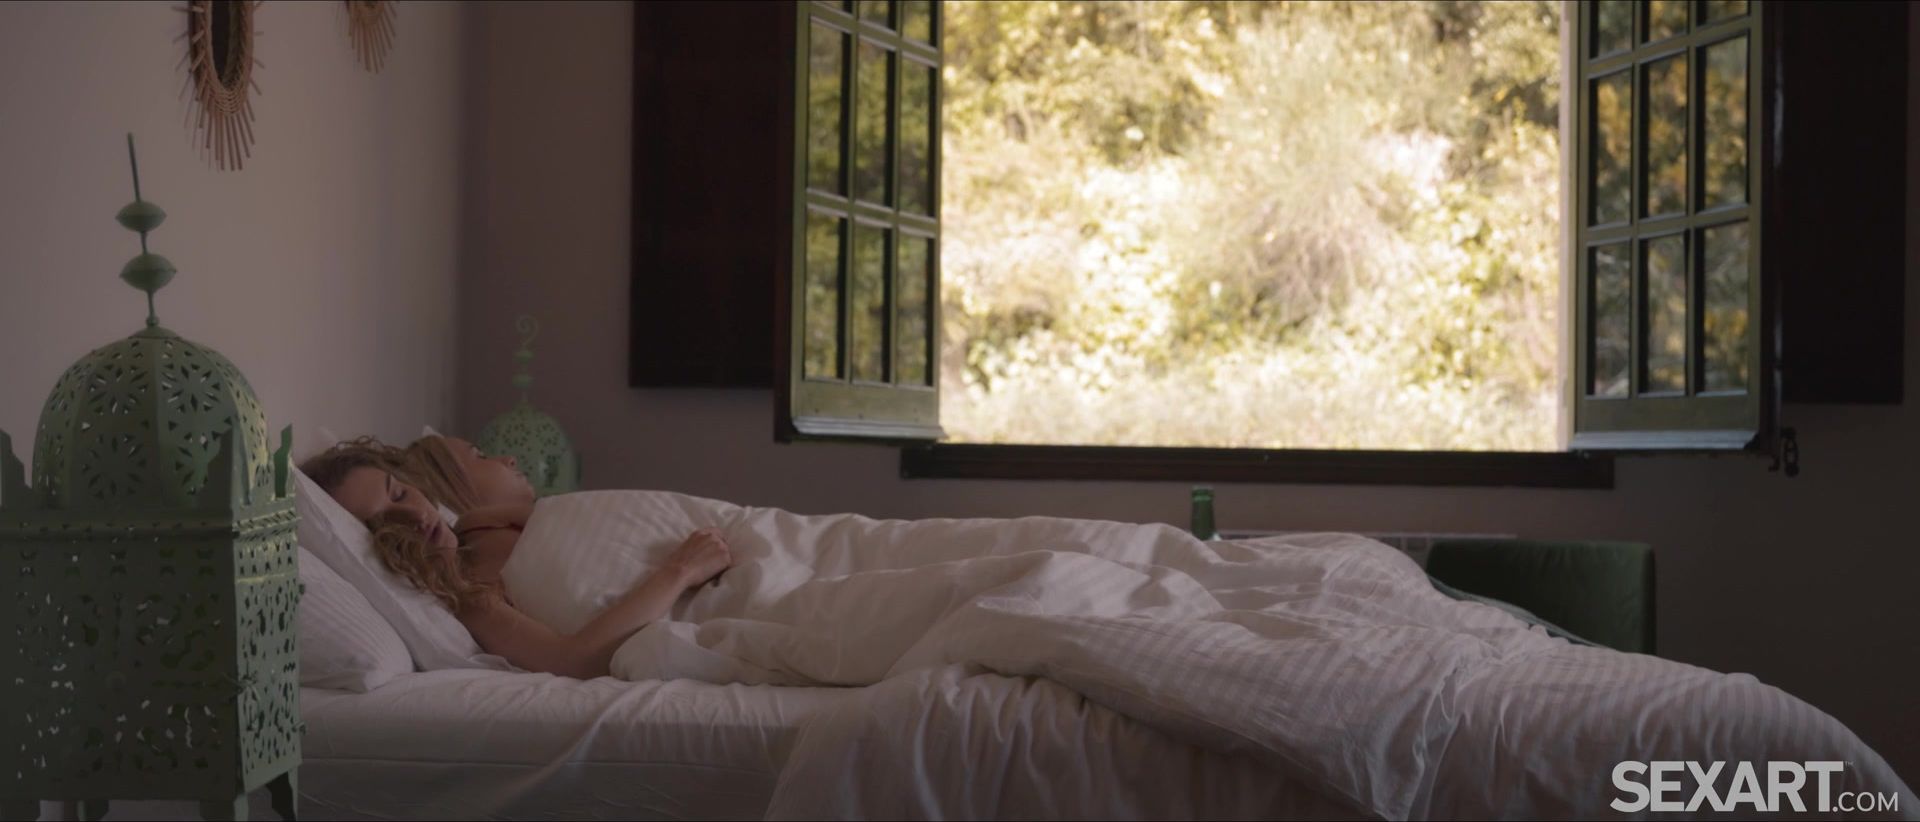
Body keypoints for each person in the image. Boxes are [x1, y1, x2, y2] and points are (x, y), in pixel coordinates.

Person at [298, 436, 732, 678]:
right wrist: (680, 570)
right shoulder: (468, 596)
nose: (415, 516)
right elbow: (572, 660)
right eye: (384, 525)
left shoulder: (475, 526)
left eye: (400, 494)